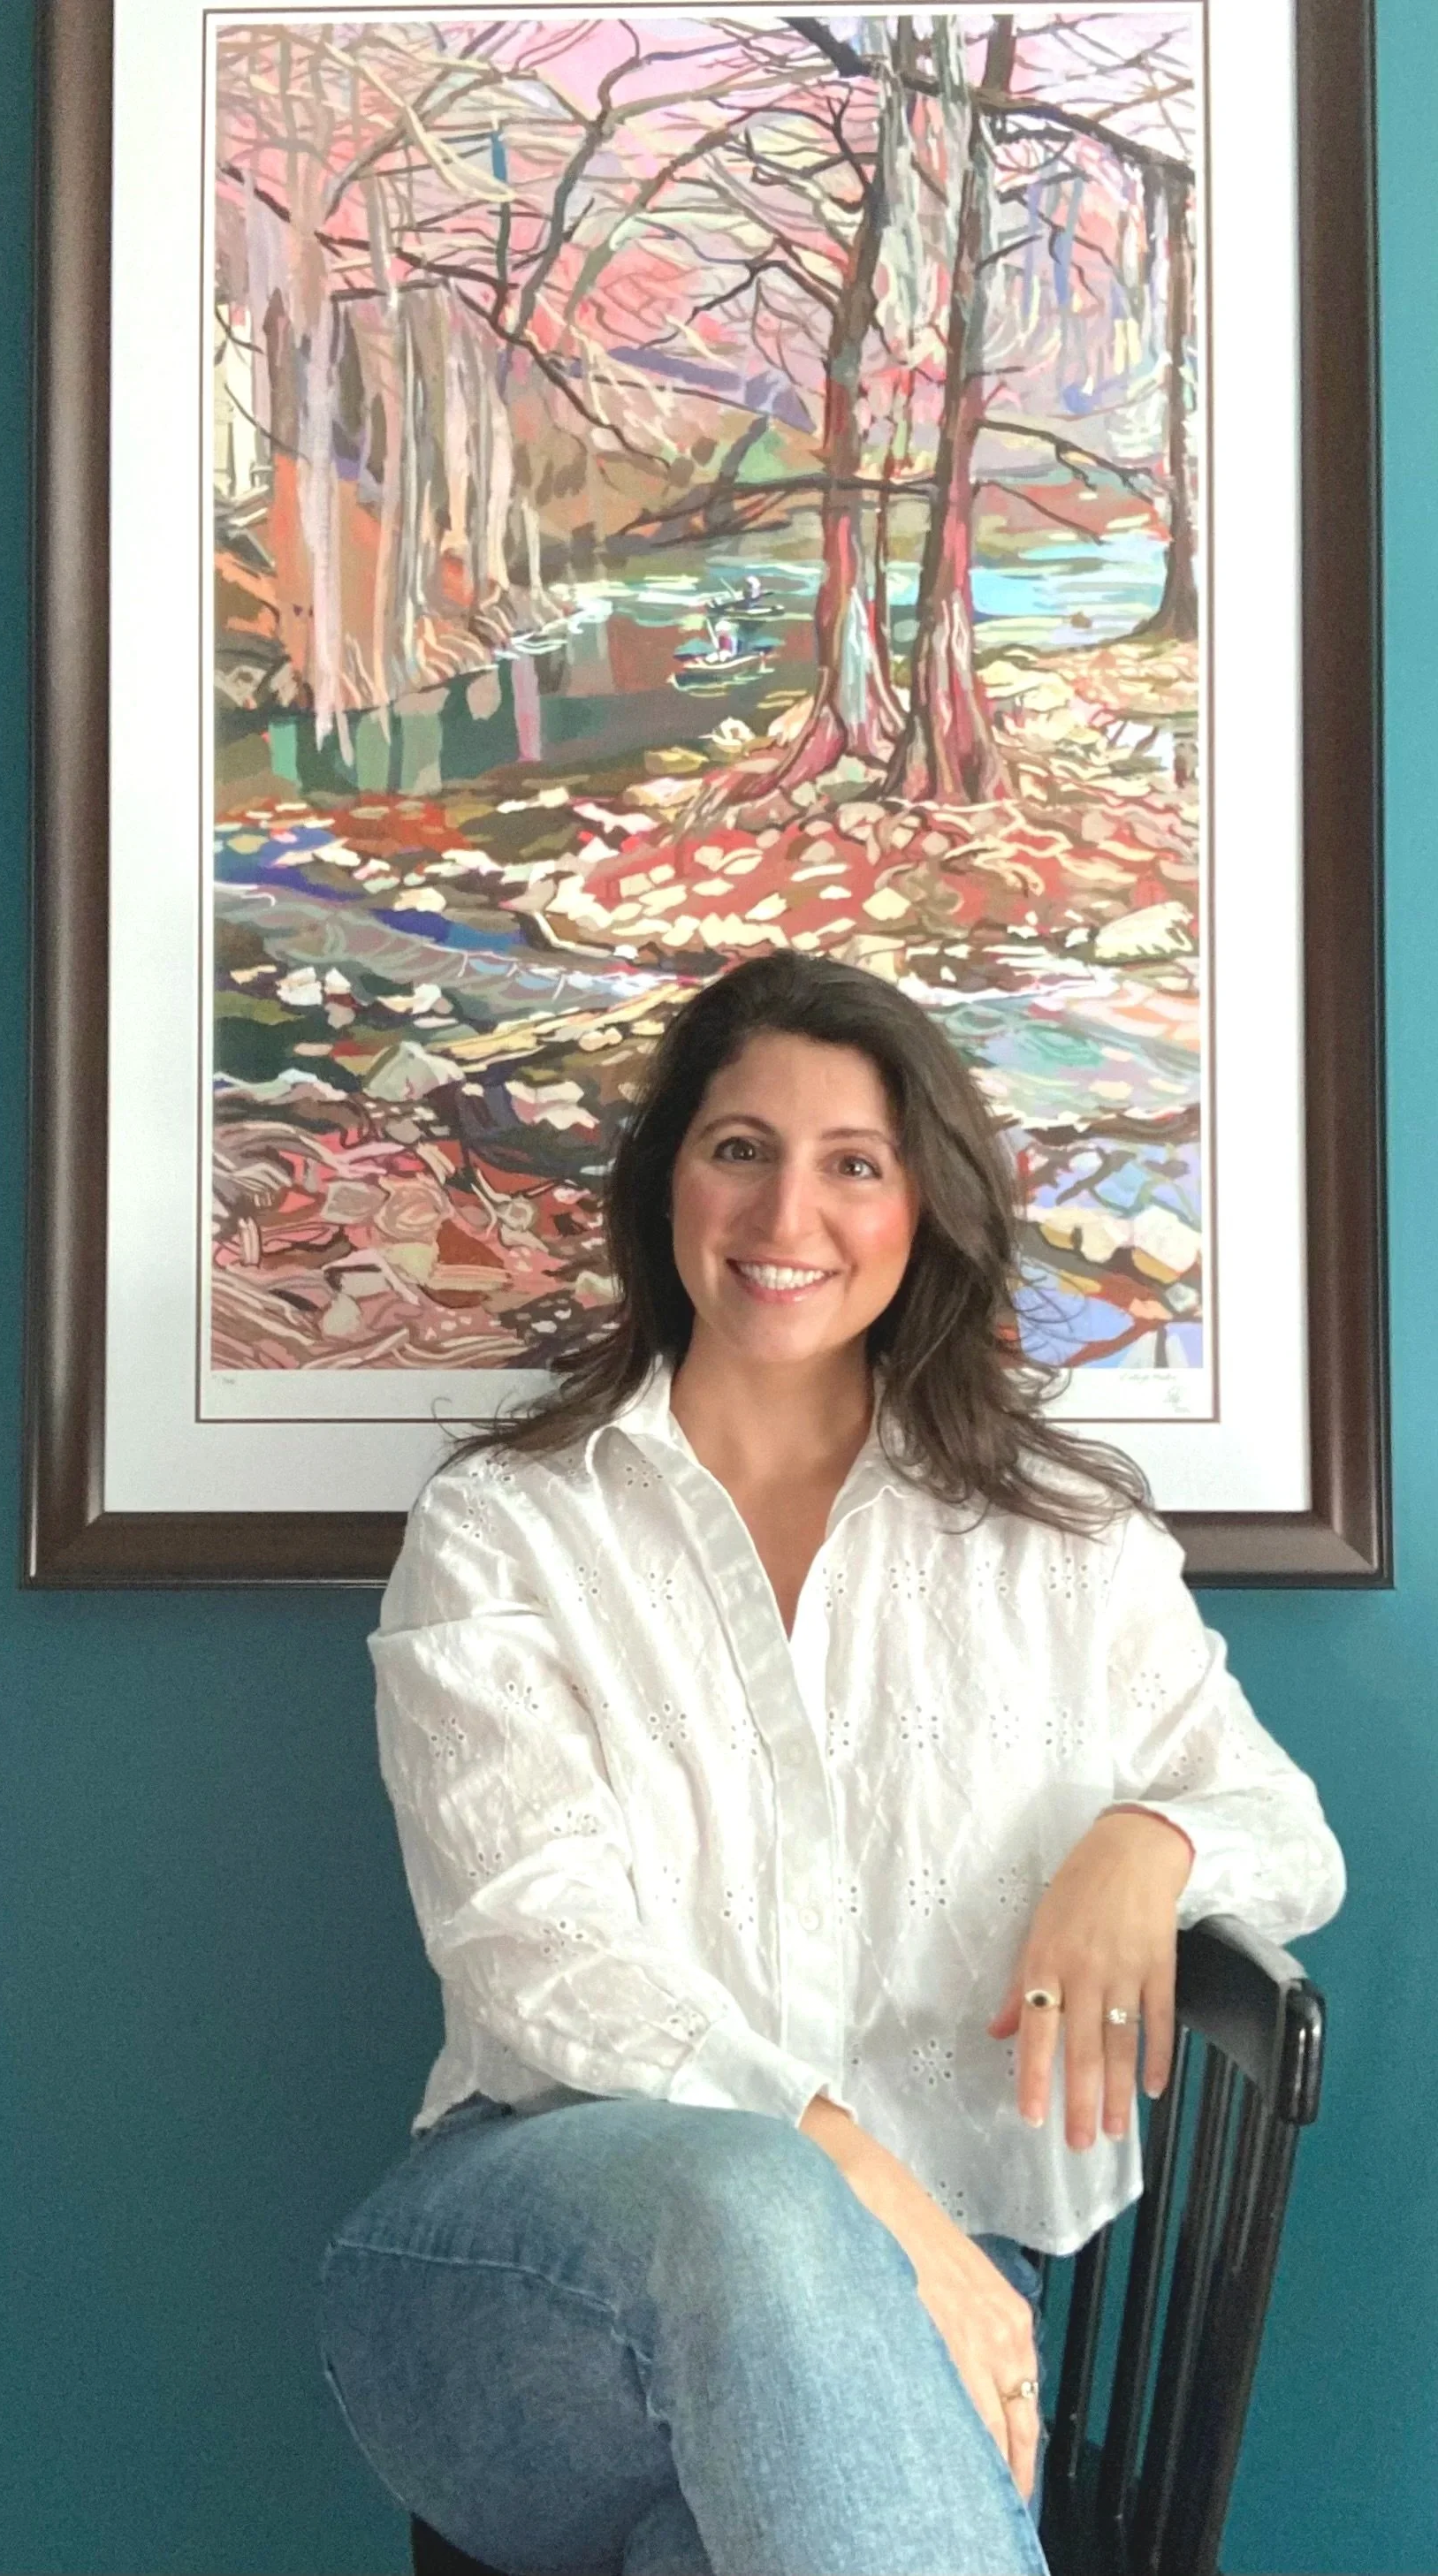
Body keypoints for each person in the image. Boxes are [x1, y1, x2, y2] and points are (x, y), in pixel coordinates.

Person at [320, 953, 1344, 2576]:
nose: (784, 1209)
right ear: (670, 1177)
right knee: (764, 2208)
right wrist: (876, 2196)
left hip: (884, 2331)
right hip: (518, 2286)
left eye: (852, 1162)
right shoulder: (507, 1527)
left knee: (717, 2536)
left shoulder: (1063, 1543)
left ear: (922, 1202)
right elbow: (533, 1954)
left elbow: (1285, 1827)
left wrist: (1151, 1842)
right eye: (739, 1146)